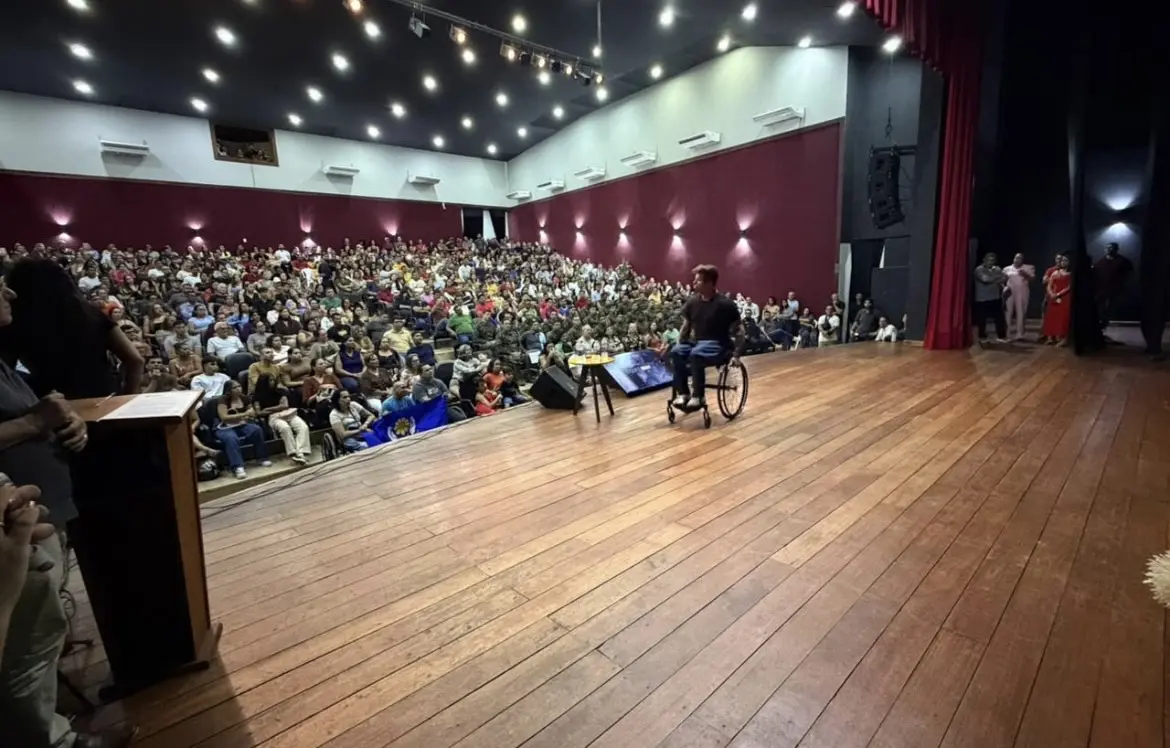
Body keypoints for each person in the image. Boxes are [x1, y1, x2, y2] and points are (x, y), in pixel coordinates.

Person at [0, 276, 138, 748]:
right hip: (18, 525)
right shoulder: (81, 322)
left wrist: (67, 419)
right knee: (25, 648)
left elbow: (39, 410)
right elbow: (29, 417)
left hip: (44, 509)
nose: (10, 293)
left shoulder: (7, 351)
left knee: (37, 634)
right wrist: (34, 422)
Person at [0, 258, 144, 398]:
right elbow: (135, 360)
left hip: (51, 406)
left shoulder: (15, 323)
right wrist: (126, 398)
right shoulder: (90, 314)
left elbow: (5, 374)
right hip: (103, 399)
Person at [670, 265, 744, 410]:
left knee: (696, 354)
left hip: (719, 344)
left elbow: (740, 331)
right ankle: (684, 393)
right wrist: (679, 343)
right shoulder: (692, 302)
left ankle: (699, 396)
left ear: (709, 283)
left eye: (697, 281)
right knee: (675, 352)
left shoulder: (725, 305)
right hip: (697, 343)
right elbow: (686, 326)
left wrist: (737, 354)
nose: (693, 283)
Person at [215, 380, 272, 479]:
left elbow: (252, 412)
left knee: (256, 430)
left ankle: (262, 458)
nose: (238, 389)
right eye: (235, 387)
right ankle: (238, 467)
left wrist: (248, 415)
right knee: (231, 438)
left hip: (241, 424)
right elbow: (224, 417)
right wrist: (245, 414)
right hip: (225, 427)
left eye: (239, 386)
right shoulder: (223, 400)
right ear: (228, 390)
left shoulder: (244, 398)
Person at [252, 373, 310, 465]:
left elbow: (285, 405)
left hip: (289, 414)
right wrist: (277, 408)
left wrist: (268, 409)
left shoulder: (281, 391)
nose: (273, 382)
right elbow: (259, 412)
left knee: (303, 427)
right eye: (270, 380)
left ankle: (301, 452)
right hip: (274, 417)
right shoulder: (257, 396)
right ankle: (293, 453)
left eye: (274, 380)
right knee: (285, 428)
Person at [1093, 242, 1132, 330]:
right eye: (1107, 247)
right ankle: (1101, 324)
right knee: (1101, 308)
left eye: (1110, 247)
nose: (1108, 249)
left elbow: (1129, 274)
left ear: (1116, 249)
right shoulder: (1100, 262)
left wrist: (1125, 285)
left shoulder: (1122, 261)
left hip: (1115, 290)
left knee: (1110, 308)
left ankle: (1104, 324)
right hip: (1101, 290)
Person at [973, 252, 1008, 344]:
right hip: (982, 298)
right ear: (984, 260)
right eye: (989, 260)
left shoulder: (997, 269)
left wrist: (995, 278)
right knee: (982, 318)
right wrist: (997, 278)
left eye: (993, 260)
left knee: (999, 318)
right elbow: (985, 279)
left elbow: (1004, 278)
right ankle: (982, 337)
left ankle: (1001, 336)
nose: (991, 262)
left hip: (995, 297)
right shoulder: (979, 269)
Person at [1003, 253, 1035, 341]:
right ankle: (1007, 332)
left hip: (1022, 291)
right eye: (1016, 258)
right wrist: (1004, 288)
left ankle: (1019, 333)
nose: (1018, 260)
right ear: (1013, 259)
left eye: (1020, 258)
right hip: (1010, 291)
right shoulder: (1007, 269)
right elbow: (1002, 280)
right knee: (1008, 312)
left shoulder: (1028, 267)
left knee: (1021, 311)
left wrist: (1025, 274)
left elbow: (1032, 279)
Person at [1041, 254, 1072, 345]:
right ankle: (1050, 336)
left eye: (1065, 261)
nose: (1063, 262)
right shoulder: (1054, 273)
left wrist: (1058, 294)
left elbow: (1069, 287)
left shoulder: (1070, 274)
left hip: (1065, 297)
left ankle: (1062, 337)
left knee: (1063, 317)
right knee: (1052, 316)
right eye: (1062, 261)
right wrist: (1052, 294)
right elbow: (1049, 285)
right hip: (1053, 297)